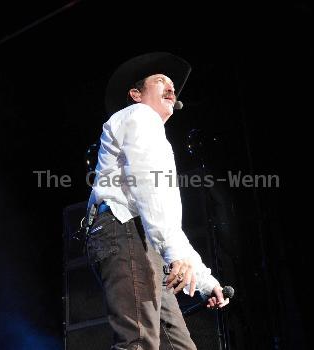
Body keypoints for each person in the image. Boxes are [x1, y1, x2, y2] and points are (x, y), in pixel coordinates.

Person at [85, 52, 229, 349]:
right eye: (161, 81)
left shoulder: (149, 128)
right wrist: (174, 252)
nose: (170, 88)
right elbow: (149, 185)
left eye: (173, 85)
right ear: (135, 94)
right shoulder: (139, 116)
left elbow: (165, 217)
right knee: (138, 341)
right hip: (123, 229)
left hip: (138, 236)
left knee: (178, 344)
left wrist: (206, 282)